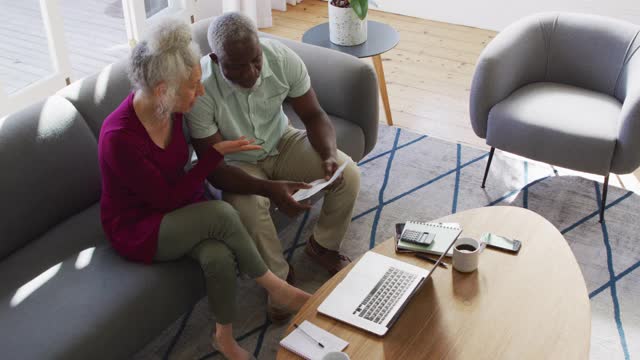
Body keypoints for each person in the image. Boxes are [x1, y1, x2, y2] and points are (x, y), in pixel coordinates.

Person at [97, 18, 310, 360]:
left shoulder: (174, 109)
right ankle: (277, 287)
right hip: (141, 226)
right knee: (222, 212)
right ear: (163, 90)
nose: (201, 91)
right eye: (194, 85)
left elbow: (180, 179)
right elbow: (165, 198)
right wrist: (213, 156)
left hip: (180, 205)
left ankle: (222, 339)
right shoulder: (119, 138)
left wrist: (217, 154)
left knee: (219, 256)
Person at [186, 12, 361, 296]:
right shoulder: (200, 90)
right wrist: (269, 190)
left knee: (347, 173)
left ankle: (322, 246)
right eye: (239, 67)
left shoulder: (281, 59)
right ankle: (280, 282)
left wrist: (328, 153)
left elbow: (314, 114)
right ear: (218, 61)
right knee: (249, 211)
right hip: (235, 165)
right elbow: (214, 169)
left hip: (283, 140)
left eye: (256, 60)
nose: (252, 73)